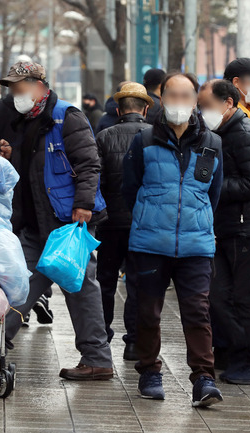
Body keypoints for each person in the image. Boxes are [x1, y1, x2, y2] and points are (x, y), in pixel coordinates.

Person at [0, 61, 114, 381]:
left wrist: (83, 206)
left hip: (67, 221)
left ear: (40, 85)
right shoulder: (24, 121)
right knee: (17, 284)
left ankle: (97, 359)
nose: (16, 94)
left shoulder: (67, 116)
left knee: (79, 289)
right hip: (35, 224)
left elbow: (89, 164)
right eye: (12, 88)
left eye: (21, 87)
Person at [122, 72, 224, 407]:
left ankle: (204, 379)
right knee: (148, 312)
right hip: (150, 242)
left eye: (186, 96)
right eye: (172, 96)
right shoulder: (144, 140)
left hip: (196, 244)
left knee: (197, 312)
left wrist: (195, 218)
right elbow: (130, 188)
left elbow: (213, 192)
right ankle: (149, 371)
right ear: (161, 99)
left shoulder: (213, 144)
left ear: (196, 100)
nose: (179, 102)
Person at [198, 79, 250, 385]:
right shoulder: (212, 135)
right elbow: (202, 175)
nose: (201, 112)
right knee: (219, 295)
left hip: (249, 228)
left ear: (228, 103)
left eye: (206, 106)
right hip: (224, 227)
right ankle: (238, 352)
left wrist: (215, 188)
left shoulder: (245, 134)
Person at [95, 82, 153, 360]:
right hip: (144, 223)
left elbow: (97, 180)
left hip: (110, 222)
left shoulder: (104, 136)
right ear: (145, 109)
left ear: (119, 110)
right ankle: (134, 342)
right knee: (138, 283)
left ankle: (102, 336)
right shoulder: (156, 137)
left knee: (104, 280)